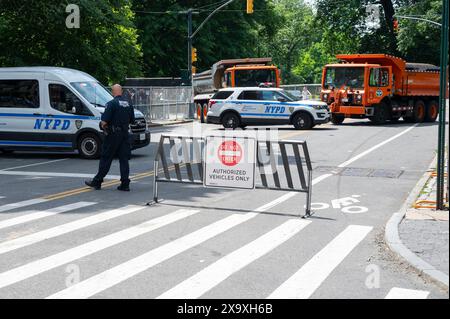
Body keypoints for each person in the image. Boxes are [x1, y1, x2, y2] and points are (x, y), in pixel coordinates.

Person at [85, 84, 135, 191]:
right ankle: (125, 184)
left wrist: (104, 126)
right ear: (121, 91)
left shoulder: (111, 104)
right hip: (125, 134)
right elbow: (132, 120)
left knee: (106, 158)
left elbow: (104, 122)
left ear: (113, 92)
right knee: (124, 159)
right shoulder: (128, 104)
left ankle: (97, 182)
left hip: (113, 135)